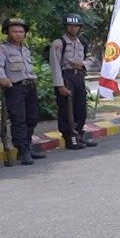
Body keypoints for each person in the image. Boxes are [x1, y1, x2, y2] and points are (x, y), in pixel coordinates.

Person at [0, 19, 46, 166]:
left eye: (21, 31)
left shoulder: (25, 49)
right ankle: (22, 150)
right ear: (7, 32)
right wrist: (2, 78)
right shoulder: (2, 49)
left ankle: (27, 146)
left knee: (33, 118)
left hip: (30, 86)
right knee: (19, 119)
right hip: (15, 88)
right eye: (14, 31)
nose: (18, 34)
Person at [50, 14, 98, 150]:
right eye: (70, 26)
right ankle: (70, 138)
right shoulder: (59, 43)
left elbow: (91, 58)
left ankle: (79, 135)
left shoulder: (82, 42)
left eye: (76, 26)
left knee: (80, 108)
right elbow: (55, 65)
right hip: (66, 77)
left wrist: (82, 64)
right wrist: (60, 85)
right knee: (67, 110)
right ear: (66, 27)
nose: (73, 28)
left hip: (79, 77)